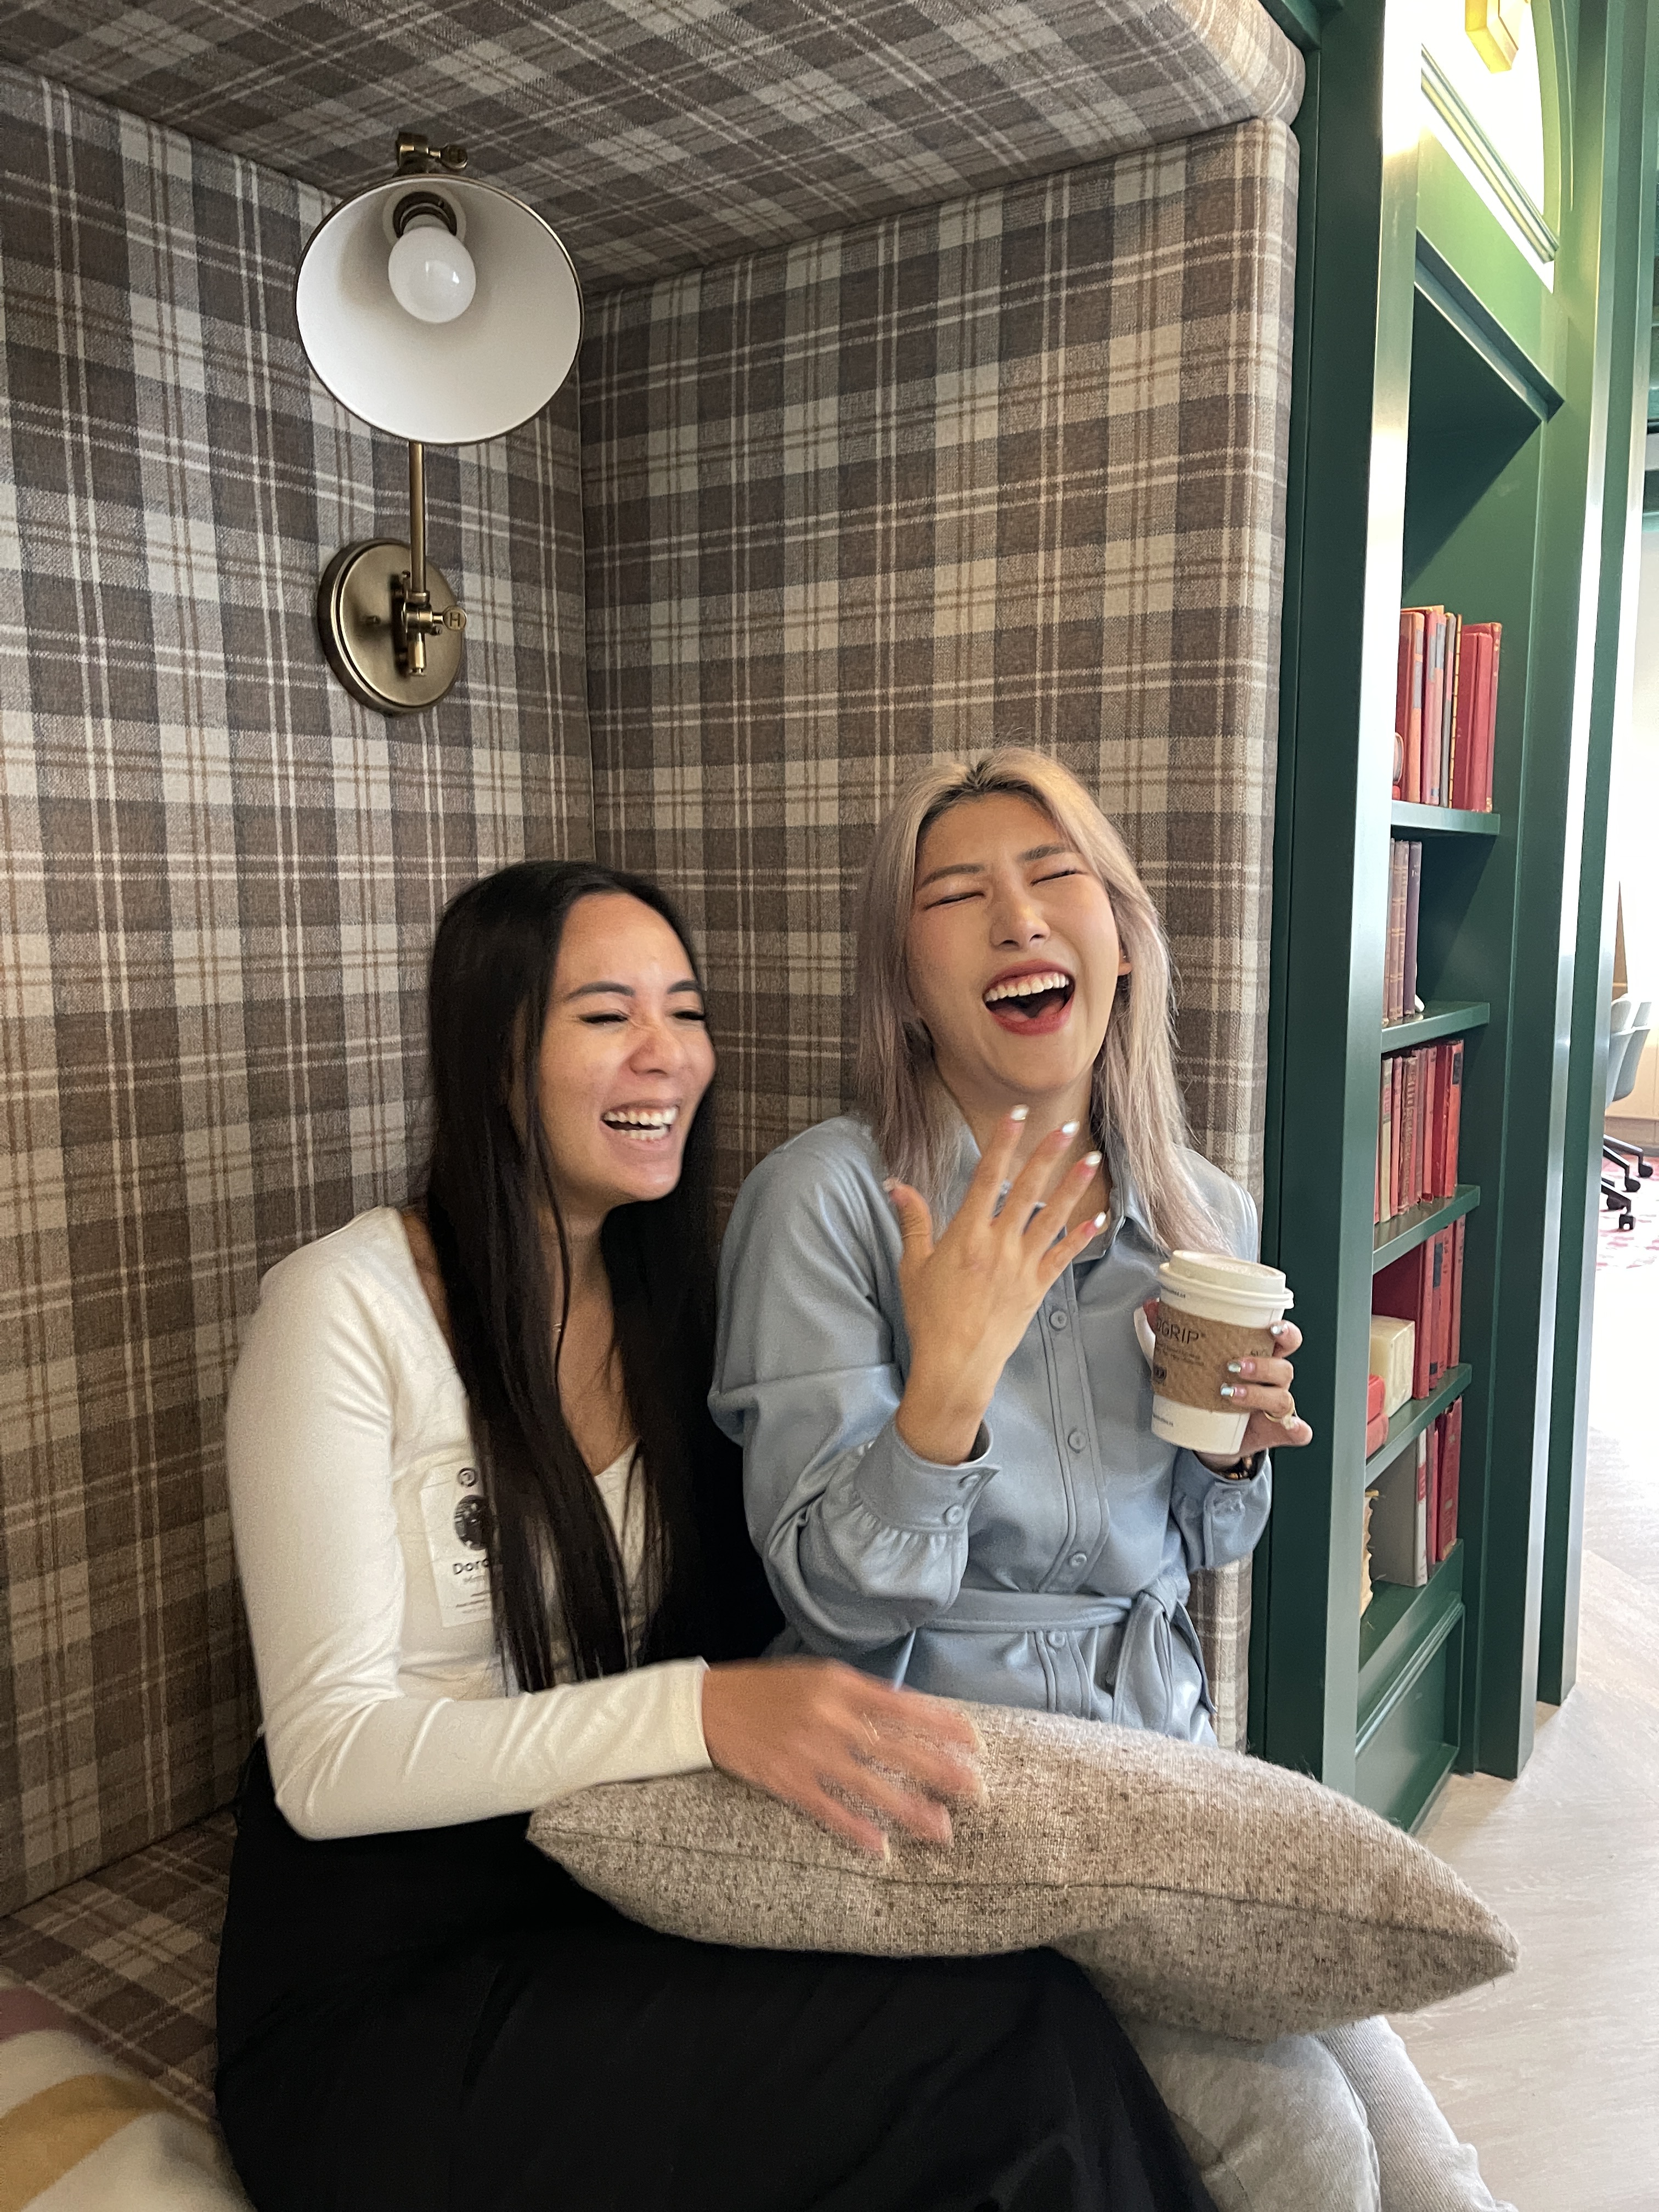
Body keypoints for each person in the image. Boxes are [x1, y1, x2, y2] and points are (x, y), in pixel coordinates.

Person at [214, 855, 1225, 2212]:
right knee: (995, 2056)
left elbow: (821, 1599)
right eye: (605, 1015)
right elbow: (329, 1763)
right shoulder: (344, 1309)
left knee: (1026, 2005)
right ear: (491, 1052)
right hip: (387, 1990)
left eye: (685, 1013)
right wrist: (700, 1711)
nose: (668, 1056)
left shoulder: (672, 1315)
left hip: (620, 1888)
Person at [713, 751, 1515, 2212]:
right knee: (1308, 2150)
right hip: (949, 1776)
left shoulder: (1199, 1211)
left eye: (1053, 878)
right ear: (907, 983)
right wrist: (946, 1390)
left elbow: (1200, 1543)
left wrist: (1237, 1451)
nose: (1017, 919)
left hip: (1158, 1752)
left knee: (1429, 2168)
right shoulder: (828, 1201)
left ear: (1123, 940)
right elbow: (833, 1605)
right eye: (957, 896)